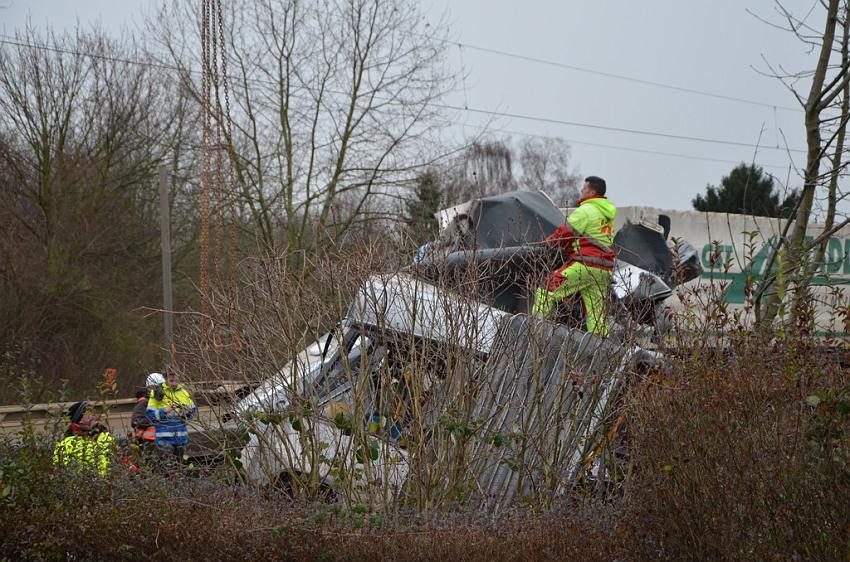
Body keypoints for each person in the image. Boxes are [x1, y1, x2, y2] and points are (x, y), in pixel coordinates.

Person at [532, 176, 617, 336]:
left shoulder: (586, 210)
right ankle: (601, 351)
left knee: (546, 290)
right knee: (597, 316)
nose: (581, 191)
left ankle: (535, 334)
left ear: (592, 191)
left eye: (583, 189)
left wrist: (547, 244)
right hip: (604, 270)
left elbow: (565, 234)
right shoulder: (607, 215)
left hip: (585, 265)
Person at [52, 401, 115, 476]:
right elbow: (61, 473)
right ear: (79, 420)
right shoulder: (66, 445)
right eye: (88, 414)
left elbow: (118, 461)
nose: (93, 417)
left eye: (93, 413)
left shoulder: (105, 436)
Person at [145, 369, 197, 461]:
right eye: (171, 381)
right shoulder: (158, 394)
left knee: (181, 469)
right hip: (164, 441)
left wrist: (186, 412)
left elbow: (193, 411)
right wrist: (164, 411)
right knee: (167, 470)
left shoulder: (184, 392)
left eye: (176, 380)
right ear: (165, 379)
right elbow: (150, 416)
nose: (174, 383)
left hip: (181, 440)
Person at [131, 373, 163, 446]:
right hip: (147, 442)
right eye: (158, 387)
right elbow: (135, 422)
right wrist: (155, 419)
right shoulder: (144, 403)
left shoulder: (160, 402)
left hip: (159, 441)